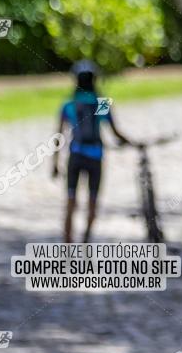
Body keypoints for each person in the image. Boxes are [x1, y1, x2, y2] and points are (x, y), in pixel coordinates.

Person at [52, 60, 131, 242]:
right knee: (92, 201)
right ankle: (86, 240)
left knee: (71, 201)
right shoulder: (102, 103)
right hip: (95, 156)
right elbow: (115, 132)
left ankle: (68, 246)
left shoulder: (69, 104)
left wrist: (55, 163)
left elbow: (58, 136)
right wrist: (130, 142)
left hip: (75, 155)